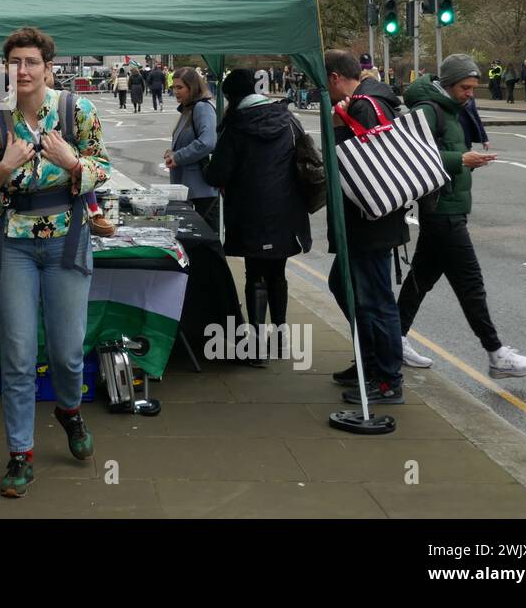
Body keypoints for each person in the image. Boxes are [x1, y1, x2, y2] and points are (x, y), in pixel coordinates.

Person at [0, 26, 112, 499]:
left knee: (68, 352)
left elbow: (102, 167)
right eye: (15, 63)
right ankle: (20, 453)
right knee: (18, 354)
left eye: (31, 62)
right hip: (14, 247)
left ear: (49, 67)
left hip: (68, 242)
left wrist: (74, 165)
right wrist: (3, 170)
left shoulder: (77, 111)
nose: (22, 71)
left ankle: (68, 411)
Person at [397, 56, 526, 379]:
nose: (470, 94)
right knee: (470, 284)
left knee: (419, 281)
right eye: (465, 87)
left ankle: (392, 339)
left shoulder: (449, 110)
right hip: (443, 212)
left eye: (473, 88)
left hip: (450, 210)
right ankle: (496, 353)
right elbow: (410, 155)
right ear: (448, 84)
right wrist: (460, 159)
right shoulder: (428, 110)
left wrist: (463, 160)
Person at [204, 70, 312, 351]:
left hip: (249, 211)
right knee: (278, 272)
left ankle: (256, 337)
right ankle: (280, 334)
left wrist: (205, 165)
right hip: (287, 209)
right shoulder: (288, 120)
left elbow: (218, 175)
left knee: (255, 274)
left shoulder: (236, 126)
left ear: (230, 96)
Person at [324, 50, 407, 405]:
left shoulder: (362, 106)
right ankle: (369, 361)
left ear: (334, 78)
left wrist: (338, 129)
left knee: (375, 299)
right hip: (372, 218)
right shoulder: (372, 100)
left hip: (369, 219)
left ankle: (387, 379)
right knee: (344, 285)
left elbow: (367, 165)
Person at [165, 66, 219, 231]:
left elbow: (207, 142)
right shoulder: (188, 109)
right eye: (173, 87)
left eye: (180, 87)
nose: (176, 91)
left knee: (203, 243)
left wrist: (178, 156)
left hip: (201, 192)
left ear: (193, 87)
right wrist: (172, 152)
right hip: (189, 190)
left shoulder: (201, 108)